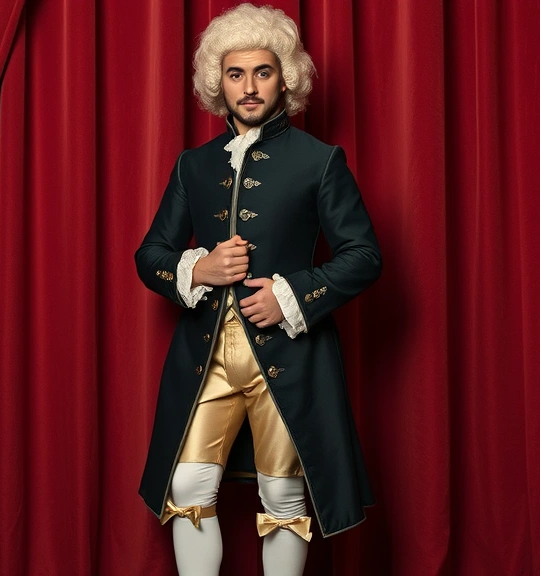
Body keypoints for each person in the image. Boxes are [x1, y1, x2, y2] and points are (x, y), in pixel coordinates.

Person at [136, 4, 381, 574]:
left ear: (286, 77)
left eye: (262, 72)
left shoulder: (320, 161)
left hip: (292, 356)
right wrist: (198, 271)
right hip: (206, 356)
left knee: (284, 496)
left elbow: (364, 257)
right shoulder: (192, 166)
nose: (249, 87)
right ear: (216, 83)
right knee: (187, 485)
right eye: (235, 73)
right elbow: (150, 256)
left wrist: (292, 294)